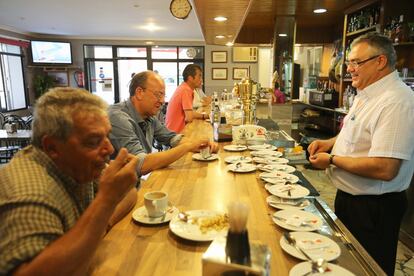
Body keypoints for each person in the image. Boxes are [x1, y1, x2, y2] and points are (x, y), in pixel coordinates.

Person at [0, 88, 139, 275]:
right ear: (52, 147)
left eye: (107, 135)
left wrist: (99, 226)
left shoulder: (77, 163)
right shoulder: (30, 192)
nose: (109, 148)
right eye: (93, 141)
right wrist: (106, 200)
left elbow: (130, 193)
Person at [308, 33, 414, 275]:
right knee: (349, 266)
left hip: (374, 208)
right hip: (351, 200)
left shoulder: (397, 101)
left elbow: (385, 168)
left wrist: (332, 159)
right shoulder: (366, 94)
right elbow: (355, 135)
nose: (350, 69)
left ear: (380, 61)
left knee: (368, 269)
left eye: (357, 62)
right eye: (349, 63)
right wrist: (329, 144)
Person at [108, 70, 218, 182]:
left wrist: (200, 144)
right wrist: (188, 147)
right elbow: (140, 164)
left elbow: (172, 138)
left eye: (163, 95)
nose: (162, 101)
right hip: (118, 192)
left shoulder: (149, 117)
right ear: (139, 92)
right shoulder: (119, 117)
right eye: (158, 94)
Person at [165, 64, 207, 133]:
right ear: (190, 78)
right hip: (176, 135)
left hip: (172, 131)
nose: (201, 80)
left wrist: (205, 116)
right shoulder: (186, 90)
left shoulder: (184, 87)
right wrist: (204, 116)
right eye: (199, 76)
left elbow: (189, 113)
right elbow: (189, 118)